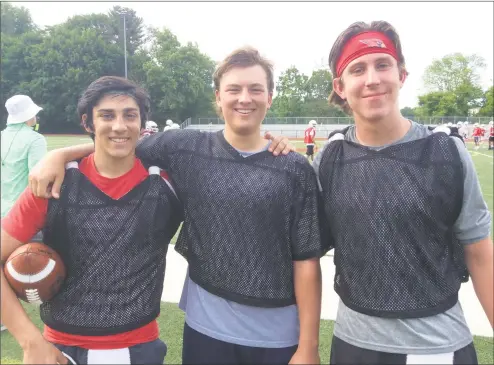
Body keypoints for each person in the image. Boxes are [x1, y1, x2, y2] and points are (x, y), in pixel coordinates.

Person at [28, 47, 327, 365]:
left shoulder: (294, 168)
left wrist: (308, 346)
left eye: (255, 89)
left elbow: (306, 260)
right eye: (234, 89)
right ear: (218, 97)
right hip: (206, 327)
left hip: (276, 332)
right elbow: (119, 142)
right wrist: (58, 155)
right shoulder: (185, 147)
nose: (244, 98)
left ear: (269, 97)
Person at [313, 21, 492, 364]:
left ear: (402, 75)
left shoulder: (446, 153)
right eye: (358, 69)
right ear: (340, 85)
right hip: (354, 344)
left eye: (383, 64)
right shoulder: (328, 161)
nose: (372, 79)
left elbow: (480, 254)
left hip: (437, 345)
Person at [1, 76, 183, 364]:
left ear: (142, 124)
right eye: (106, 115)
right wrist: (30, 341)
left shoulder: (166, 183)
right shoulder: (54, 184)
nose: (120, 126)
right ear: (88, 123)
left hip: (138, 347)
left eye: (129, 115)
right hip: (61, 348)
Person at [1, 94, 47, 332]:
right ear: (29, 115)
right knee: (41, 263)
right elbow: (39, 180)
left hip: (1, 213)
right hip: (23, 216)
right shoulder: (35, 139)